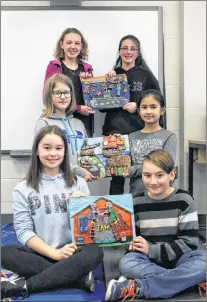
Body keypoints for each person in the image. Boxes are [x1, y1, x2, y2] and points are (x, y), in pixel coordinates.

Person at [1, 125, 103, 299]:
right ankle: (76, 278)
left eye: (58, 148)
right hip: (41, 253)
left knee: (95, 252)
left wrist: (84, 204)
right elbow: (24, 232)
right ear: (37, 151)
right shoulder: (22, 188)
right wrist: (54, 253)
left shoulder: (78, 183)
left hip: (74, 252)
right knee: (5, 253)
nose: (53, 154)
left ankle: (25, 286)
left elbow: (92, 229)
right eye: (47, 148)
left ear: (65, 152)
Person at [105, 150, 206, 301]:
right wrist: (131, 244)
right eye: (147, 175)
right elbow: (132, 238)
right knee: (127, 263)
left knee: (203, 261)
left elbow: (189, 242)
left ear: (172, 175)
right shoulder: (136, 202)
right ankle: (186, 281)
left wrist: (152, 249)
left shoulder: (185, 200)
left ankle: (140, 287)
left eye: (160, 175)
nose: (153, 181)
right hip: (146, 259)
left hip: (179, 257)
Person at [101, 34, 161, 195]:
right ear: (119, 51)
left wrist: (139, 107)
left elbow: (158, 102)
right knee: (117, 178)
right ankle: (119, 218)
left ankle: (139, 215)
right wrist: (107, 85)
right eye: (125, 48)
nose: (129, 51)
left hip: (140, 133)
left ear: (138, 52)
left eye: (133, 48)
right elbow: (101, 107)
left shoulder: (146, 75)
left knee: (140, 177)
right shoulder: (112, 75)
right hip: (114, 134)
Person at [36, 73, 94, 181]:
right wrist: (78, 171)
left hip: (80, 182)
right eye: (57, 93)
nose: (63, 97)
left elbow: (89, 153)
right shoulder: (44, 123)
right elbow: (46, 157)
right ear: (49, 95)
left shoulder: (79, 124)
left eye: (67, 92)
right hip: (55, 182)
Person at [125, 89, 177, 197]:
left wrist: (134, 170)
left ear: (162, 110)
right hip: (136, 195)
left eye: (153, 107)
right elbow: (123, 165)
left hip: (162, 195)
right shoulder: (131, 137)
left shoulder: (169, 136)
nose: (148, 111)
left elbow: (164, 166)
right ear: (139, 111)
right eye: (144, 107)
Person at [44, 27, 95, 137]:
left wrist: (89, 85)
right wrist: (77, 108)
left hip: (83, 122)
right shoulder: (54, 66)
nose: (73, 46)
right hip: (60, 119)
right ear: (61, 45)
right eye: (69, 43)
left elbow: (94, 100)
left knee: (83, 152)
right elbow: (47, 96)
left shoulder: (87, 69)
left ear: (81, 46)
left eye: (77, 43)